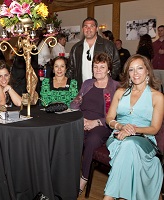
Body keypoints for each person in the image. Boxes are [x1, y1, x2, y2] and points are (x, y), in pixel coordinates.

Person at [103, 54, 163, 200]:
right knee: (127, 146)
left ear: (147, 71)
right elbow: (109, 118)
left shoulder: (158, 97)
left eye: (140, 68)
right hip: (118, 136)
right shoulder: (120, 92)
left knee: (129, 145)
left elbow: (154, 128)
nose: (135, 73)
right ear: (128, 73)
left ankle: (109, 197)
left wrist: (133, 130)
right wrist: (120, 126)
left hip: (144, 139)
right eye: (131, 70)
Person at [70, 52, 119, 195]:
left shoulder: (115, 87)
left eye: (102, 67)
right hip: (82, 120)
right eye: (95, 66)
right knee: (68, 134)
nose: (97, 70)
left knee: (92, 139)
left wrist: (96, 122)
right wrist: (81, 119)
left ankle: (83, 178)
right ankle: (67, 175)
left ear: (109, 69)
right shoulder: (87, 84)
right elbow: (74, 104)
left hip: (102, 124)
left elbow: (117, 115)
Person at [67, 17, 120, 90]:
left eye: (91, 26)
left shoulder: (108, 45)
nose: (88, 29)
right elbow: (71, 68)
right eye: (86, 26)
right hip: (81, 89)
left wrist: (106, 81)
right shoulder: (76, 48)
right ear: (83, 29)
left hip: (103, 88)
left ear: (97, 29)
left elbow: (116, 65)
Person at [152, 25, 164, 92]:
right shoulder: (154, 43)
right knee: (157, 88)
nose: (160, 32)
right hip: (155, 68)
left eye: (161, 30)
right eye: (159, 31)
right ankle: (158, 102)